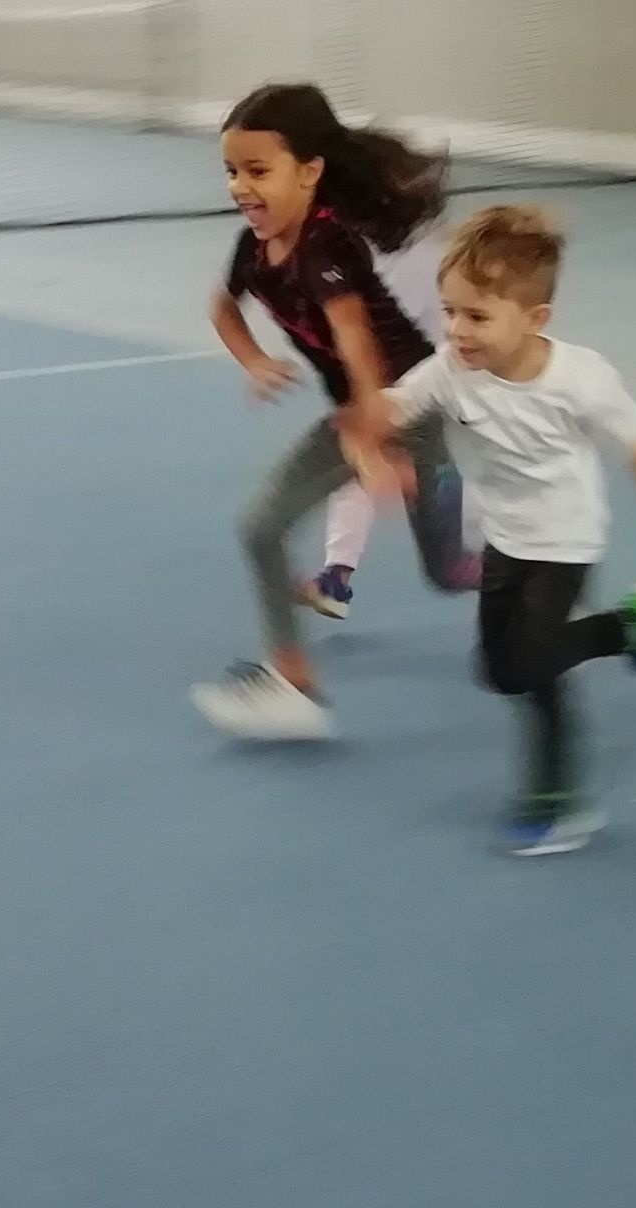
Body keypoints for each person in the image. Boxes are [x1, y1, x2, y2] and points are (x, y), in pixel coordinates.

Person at [340, 203, 636, 854]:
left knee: (533, 666)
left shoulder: (580, 381)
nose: (457, 330)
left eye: (476, 316)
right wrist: (368, 437)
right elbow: (390, 409)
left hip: (566, 542)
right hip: (504, 540)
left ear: (536, 318)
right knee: (503, 671)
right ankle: (629, 632)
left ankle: (559, 799)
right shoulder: (450, 371)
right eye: (450, 312)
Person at [191, 83, 477, 741]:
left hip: (407, 406)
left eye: (258, 170)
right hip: (361, 411)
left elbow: (356, 343)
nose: (240, 187)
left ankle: (536, 578)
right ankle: (293, 683)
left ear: (309, 171)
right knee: (261, 527)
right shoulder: (252, 248)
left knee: (451, 570)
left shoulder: (326, 248)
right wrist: (255, 362)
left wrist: (374, 441)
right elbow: (223, 309)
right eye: (232, 171)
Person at [298, 223, 484, 619]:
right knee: (354, 469)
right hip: (401, 399)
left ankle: (538, 577)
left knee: (453, 562)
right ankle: (336, 578)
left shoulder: (420, 266)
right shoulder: (359, 262)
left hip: (440, 409)